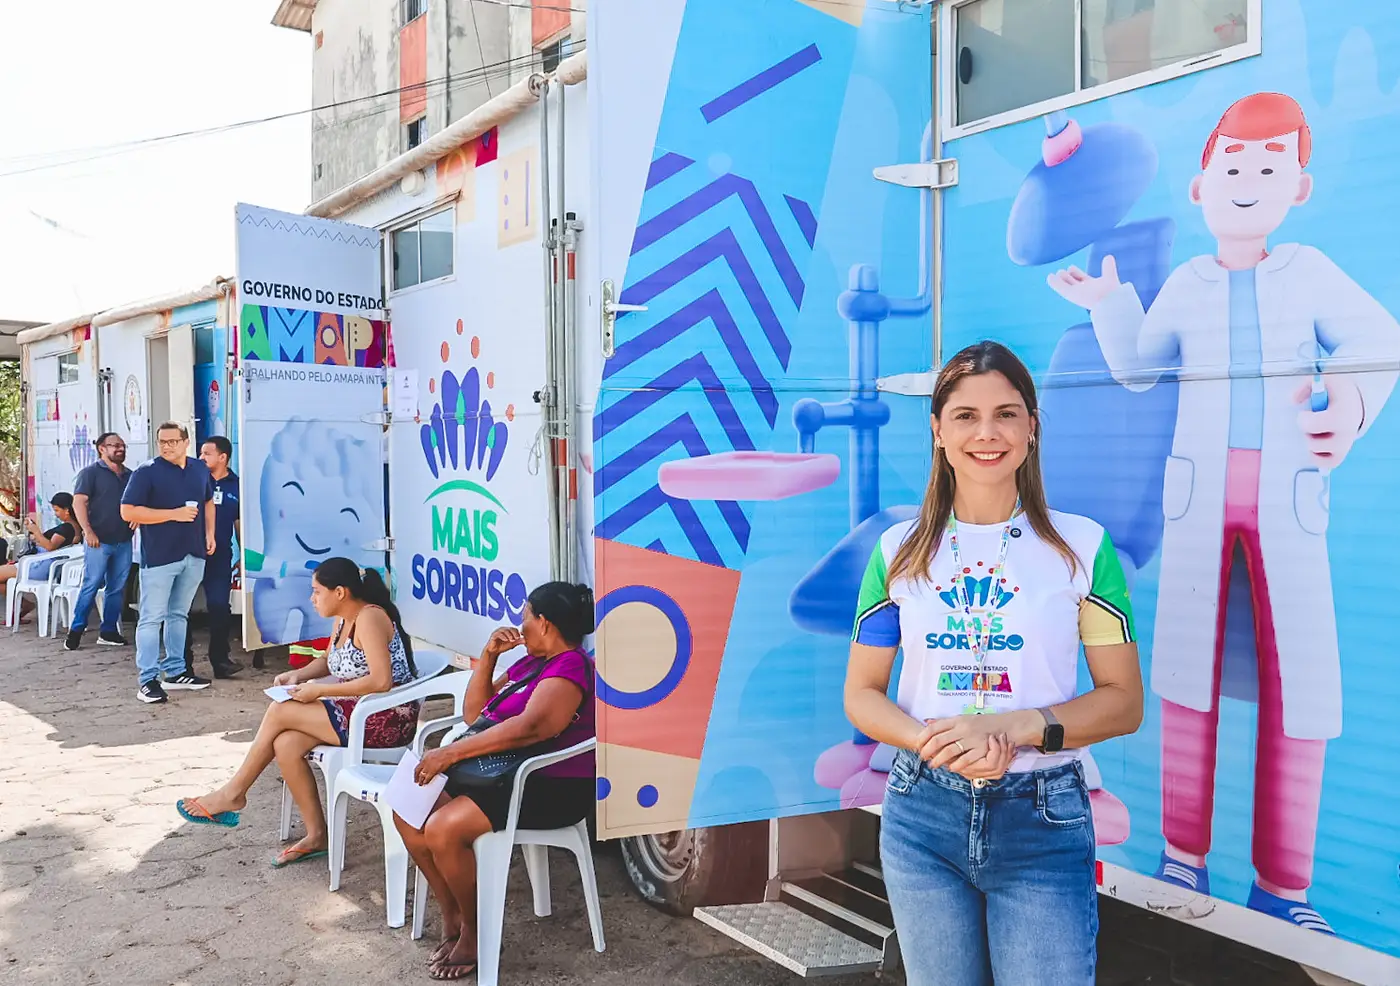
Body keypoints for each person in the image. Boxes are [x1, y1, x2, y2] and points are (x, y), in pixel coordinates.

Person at [1047, 92, 1400, 931]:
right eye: (1234, 164)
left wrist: (1348, 406)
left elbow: (1379, 341)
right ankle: (1183, 857)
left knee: (1300, 682)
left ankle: (1285, 887)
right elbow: (1138, 367)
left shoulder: (1308, 271)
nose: (1248, 180)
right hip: (1200, 500)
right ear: (1202, 187)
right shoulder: (1189, 283)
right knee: (1185, 672)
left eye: (1270, 166)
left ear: (1299, 188)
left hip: (1288, 501)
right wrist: (1110, 305)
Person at [845, 341, 1143, 986]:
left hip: (1043, 818)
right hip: (921, 815)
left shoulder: (1082, 547)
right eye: (965, 416)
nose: (987, 433)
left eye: (1006, 414)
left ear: (1032, 427)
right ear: (938, 431)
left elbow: (1123, 701)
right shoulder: (896, 551)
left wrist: (1014, 727)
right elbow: (862, 693)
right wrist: (934, 742)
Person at [398, 582, 595, 982]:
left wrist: (450, 754)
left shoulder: (570, 666)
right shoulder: (530, 664)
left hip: (549, 784)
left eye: (526, 616)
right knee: (408, 807)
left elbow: (533, 727)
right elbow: (476, 716)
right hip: (503, 774)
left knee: (442, 828)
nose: (520, 625)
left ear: (544, 622)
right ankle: (453, 914)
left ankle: (475, 931)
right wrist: (488, 657)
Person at [175, 558, 421, 865]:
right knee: (286, 744)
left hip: (386, 717)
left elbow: (381, 681)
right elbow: (329, 662)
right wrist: (299, 675)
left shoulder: (370, 617)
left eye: (317, 591)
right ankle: (316, 835)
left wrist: (320, 691)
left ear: (340, 592)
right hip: (357, 709)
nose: (312, 598)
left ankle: (233, 794)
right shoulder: (343, 619)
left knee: (280, 711)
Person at [120, 422, 216, 704]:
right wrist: (173, 514)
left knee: (179, 615)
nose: (167, 446)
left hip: (193, 554)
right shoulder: (146, 472)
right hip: (159, 557)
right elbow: (127, 511)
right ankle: (147, 680)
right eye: (162, 441)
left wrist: (210, 534)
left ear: (186, 442)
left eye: (173, 441)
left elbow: (208, 501)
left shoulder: (199, 469)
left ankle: (175, 672)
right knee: (151, 618)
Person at [65, 432, 134, 651]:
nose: (120, 449)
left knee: (117, 588)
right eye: (115, 445)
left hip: (124, 540)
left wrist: (138, 517)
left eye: (122, 445)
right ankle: (76, 630)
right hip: (98, 541)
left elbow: (138, 501)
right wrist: (88, 531)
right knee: (92, 584)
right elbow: (79, 503)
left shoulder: (130, 475)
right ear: (101, 449)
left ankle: (108, 631)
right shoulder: (90, 473)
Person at [181, 436, 243, 679]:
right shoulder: (193, 480)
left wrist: (243, 555)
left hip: (220, 556)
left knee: (219, 606)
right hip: (190, 553)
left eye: (207, 453)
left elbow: (239, 523)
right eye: (200, 453)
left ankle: (221, 661)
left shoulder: (236, 485)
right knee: (182, 608)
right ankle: (182, 664)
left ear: (223, 457)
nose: (201, 458)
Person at [0, 492, 81, 622]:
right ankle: (25, 604)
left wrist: (36, 531)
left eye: (57, 510)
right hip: (42, 564)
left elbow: (50, 546)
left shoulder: (68, 528)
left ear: (67, 510)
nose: (56, 514)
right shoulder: (76, 528)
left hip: (39, 565)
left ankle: (24, 604)